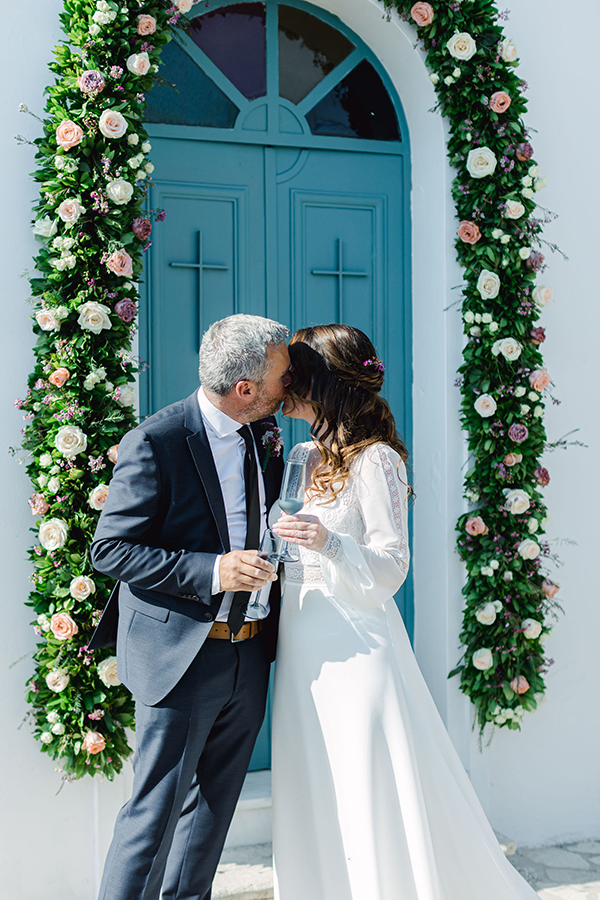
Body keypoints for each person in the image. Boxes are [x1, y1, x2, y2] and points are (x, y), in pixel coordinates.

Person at [271, 323, 540, 900]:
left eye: (295, 373)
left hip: (355, 643)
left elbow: (392, 565)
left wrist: (327, 542)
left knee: (362, 778)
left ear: (326, 383)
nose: (284, 384)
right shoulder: (298, 454)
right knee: (314, 777)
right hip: (300, 641)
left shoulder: (377, 462)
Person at [88, 314, 290, 900]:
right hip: (182, 659)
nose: (291, 382)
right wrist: (212, 571)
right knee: (152, 820)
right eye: (282, 373)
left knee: (209, 819)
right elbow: (111, 549)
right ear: (245, 388)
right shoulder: (157, 440)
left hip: (249, 654)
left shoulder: (266, 432)